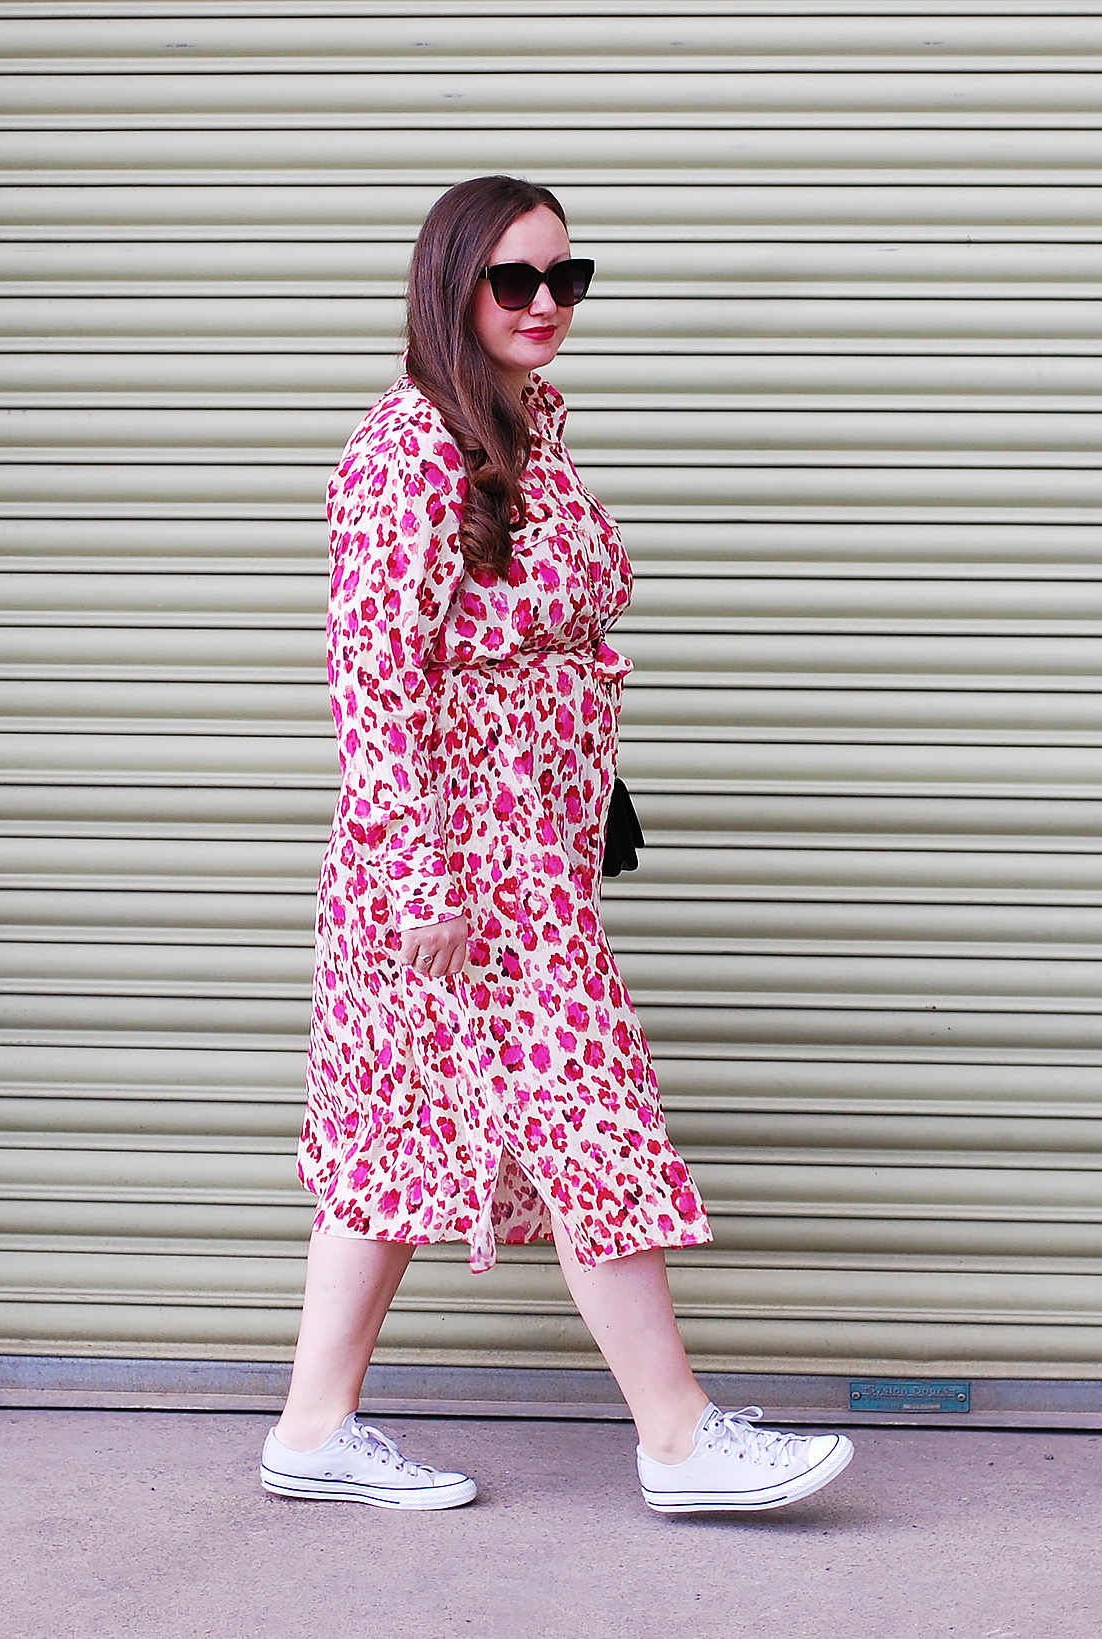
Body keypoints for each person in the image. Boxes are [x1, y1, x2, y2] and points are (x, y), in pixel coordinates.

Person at [259, 175, 854, 1515]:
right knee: (591, 1120)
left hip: (527, 851)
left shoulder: (527, 437)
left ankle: (311, 1430)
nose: (544, 305)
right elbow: (373, 680)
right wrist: (418, 887)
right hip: (452, 879)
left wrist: (590, 789)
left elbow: (546, 645)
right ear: (451, 286)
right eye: (514, 280)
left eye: (565, 280)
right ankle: (679, 1435)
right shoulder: (406, 448)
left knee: (388, 1138)